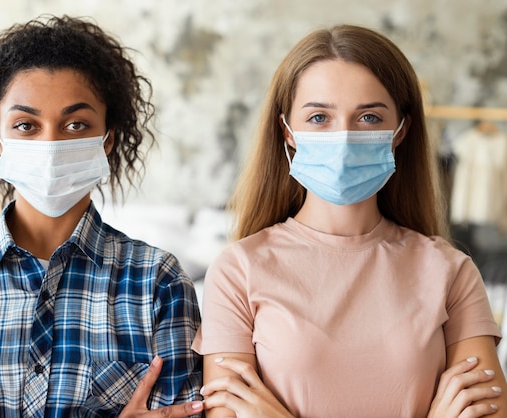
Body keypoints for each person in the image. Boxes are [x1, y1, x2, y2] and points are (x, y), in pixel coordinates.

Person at [0, 15, 203, 417]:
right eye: (25, 125)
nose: (50, 142)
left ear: (108, 140)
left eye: (75, 124)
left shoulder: (159, 285)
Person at [192, 24, 507, 418]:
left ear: (401, 131)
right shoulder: (237, 270)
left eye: (370, 117)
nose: (343, 137)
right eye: (320, 117)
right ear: (287, 131)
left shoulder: (451, 272)